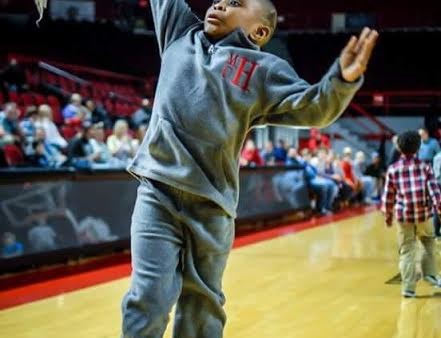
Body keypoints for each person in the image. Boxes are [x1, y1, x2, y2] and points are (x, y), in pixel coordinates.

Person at [35, 0, 377, 335]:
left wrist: (341, 81)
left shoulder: (266, 69)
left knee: (202, 306)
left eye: (235, 3)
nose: (219, 5)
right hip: (157, 192)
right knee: (148, 297)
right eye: (218, 0)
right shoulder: (179, 31)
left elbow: (314, 108)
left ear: (259, 30)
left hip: (212, 206)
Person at [382, 130, 441, 298]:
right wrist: (439, 209)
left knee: (407, 250)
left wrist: (388, 217)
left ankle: (408, 288)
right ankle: (429, 273)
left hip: (403, 216)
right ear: (419, 148)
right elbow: (435, 193)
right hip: (424, 215)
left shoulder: (393, 169)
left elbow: (388, 198)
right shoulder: (425, 167)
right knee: (428, 242)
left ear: (399, 148)